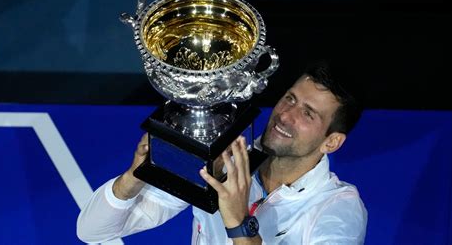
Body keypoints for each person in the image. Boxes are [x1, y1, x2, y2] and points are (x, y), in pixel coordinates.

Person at [77, 59, 368, 244]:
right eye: (289, 98)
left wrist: (238, 221)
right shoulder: (227, 157)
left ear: (332, 142)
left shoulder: (339, 209)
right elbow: (91, 231)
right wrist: (135, 177)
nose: (286, 115)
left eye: (308, 114)